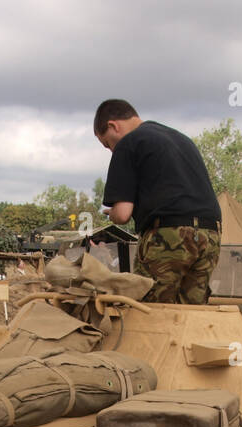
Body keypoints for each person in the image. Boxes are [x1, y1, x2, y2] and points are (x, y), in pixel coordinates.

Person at [95, 99, 222, 304]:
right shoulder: (181, 139)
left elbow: (123, 213)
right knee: (192, 314)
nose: (111, 149)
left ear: (113, 126)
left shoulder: (129, 143)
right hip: (211, 235)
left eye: (107, 143)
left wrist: (111, 213)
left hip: (169, 234)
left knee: (148, 312)